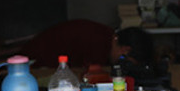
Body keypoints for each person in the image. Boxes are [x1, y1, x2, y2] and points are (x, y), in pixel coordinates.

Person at [20, 21, 154, 70]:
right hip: (34, 66)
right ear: (125, 50)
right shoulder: (99, 44)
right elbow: (89, 78)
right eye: (126, 62)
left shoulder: (106, 35)